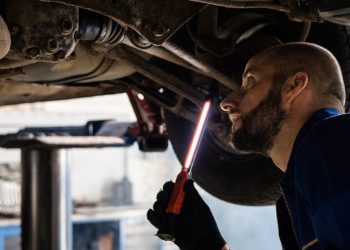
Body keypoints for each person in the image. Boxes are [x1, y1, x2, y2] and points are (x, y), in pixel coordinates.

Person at [147, 42, 349, 250]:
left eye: (250, 81)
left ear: (294, 86)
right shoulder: (295, 195)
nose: (226, 102)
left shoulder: (333, 140)